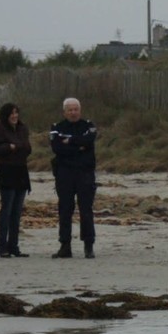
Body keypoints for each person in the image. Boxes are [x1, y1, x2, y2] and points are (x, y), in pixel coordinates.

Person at [49, 97, 98, 259]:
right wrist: (79, 148)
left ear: (80, 110)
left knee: (86, 210)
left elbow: (89, 141)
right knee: (65, 209)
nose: (73, 112)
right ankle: (65, 245)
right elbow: (57, 148)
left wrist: (70, 141)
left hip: (85, 173)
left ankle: (88, 245)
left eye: (76, 109)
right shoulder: (56, 127)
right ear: (64, 112)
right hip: (64, 173)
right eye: (70, 110)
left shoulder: (88, 125)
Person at [0, 103, 32, 258]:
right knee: (7, 210)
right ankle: (2, 247)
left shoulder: (23, 129)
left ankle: (14, 246)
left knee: (17, 212)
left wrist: (23, 148)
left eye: (16, 112)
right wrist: (7, 147)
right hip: (6, 172)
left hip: (21, 172)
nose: (14, 116)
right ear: (5, 115)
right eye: (11, 113)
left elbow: (27, 148)